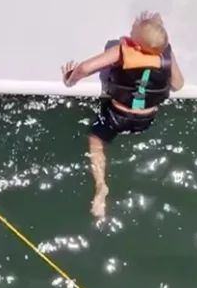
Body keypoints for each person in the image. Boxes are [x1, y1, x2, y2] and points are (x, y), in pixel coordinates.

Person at [62, 13, 184, 219]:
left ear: (135, 43)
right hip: (145, 119)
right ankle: (102, 187)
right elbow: (178, 85)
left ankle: (101, 186)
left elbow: (84, 68)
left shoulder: (121, 52)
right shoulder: (164, 56)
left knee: (96, 142)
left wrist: (70, 79)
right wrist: (163, 48)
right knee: (105, 139)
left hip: (117, 115)